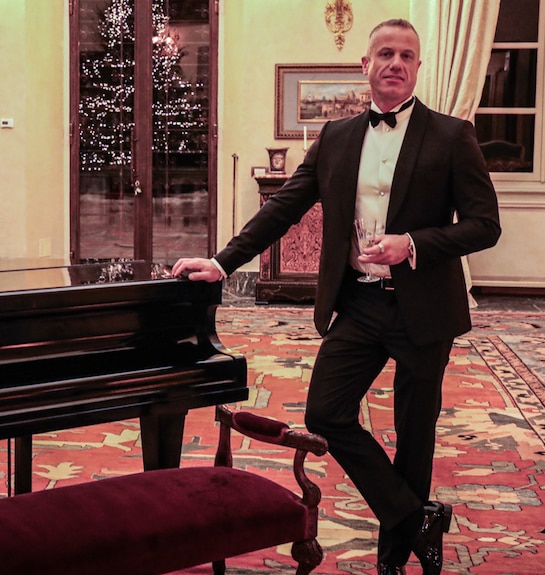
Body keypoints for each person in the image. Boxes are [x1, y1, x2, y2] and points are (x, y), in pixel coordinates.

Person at [172, 18, 501, 575]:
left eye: (406, 56)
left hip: (426, 309)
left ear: (418, 68)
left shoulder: (452, 135)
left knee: (414, 436)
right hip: (360, 304)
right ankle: (415, 515)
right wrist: (223, 261)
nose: (395, 63)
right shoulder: (337, 137)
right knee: (327, 412)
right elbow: (283, 209)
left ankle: (394, 561)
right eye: (385, 54)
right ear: (365, 66)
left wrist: (413, 244)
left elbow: (484, 225)